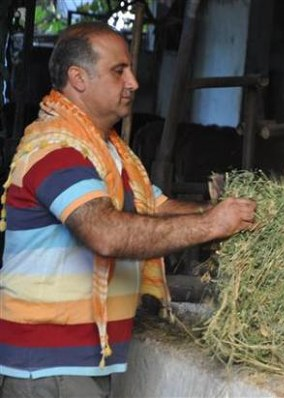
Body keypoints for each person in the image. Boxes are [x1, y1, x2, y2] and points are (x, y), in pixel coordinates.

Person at [0, 21, 256, 397]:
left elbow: (157, 207)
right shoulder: (56, 150)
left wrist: (221, 212)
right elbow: (106, 233)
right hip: (47, 368)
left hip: (76, 363)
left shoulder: (109, 153)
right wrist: (212, 225)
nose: (134, 82)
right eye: (119, 71)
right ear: (78, 78)